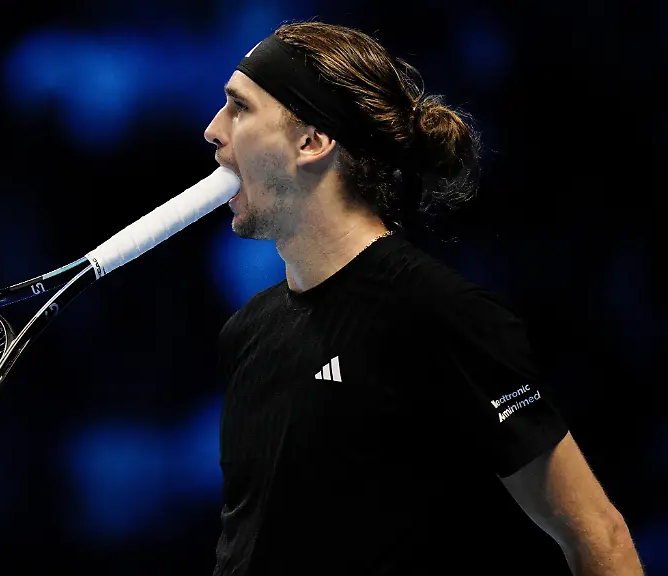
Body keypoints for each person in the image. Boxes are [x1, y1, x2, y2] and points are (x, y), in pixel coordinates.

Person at [204, 20, 645, 576]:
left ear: (311, 142)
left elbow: (598, 537)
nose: (212, 131)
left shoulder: (436, 313)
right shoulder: (247, 331)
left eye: (239, 108)